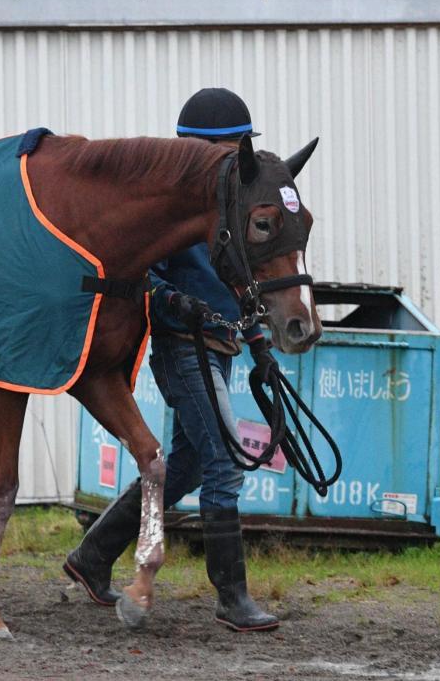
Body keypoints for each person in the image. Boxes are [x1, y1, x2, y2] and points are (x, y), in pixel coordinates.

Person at [64, 88, 279, 632]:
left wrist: (259, 341)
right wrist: (167, 297)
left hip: (224, 348)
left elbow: (246, 278)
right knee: (225, 463)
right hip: (185, 349)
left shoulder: (233, 204)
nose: (239, 161)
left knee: (186, 466)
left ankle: (92, 557)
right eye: (233, 151)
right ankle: (232, 599)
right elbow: (142, 274)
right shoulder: (167, 203)